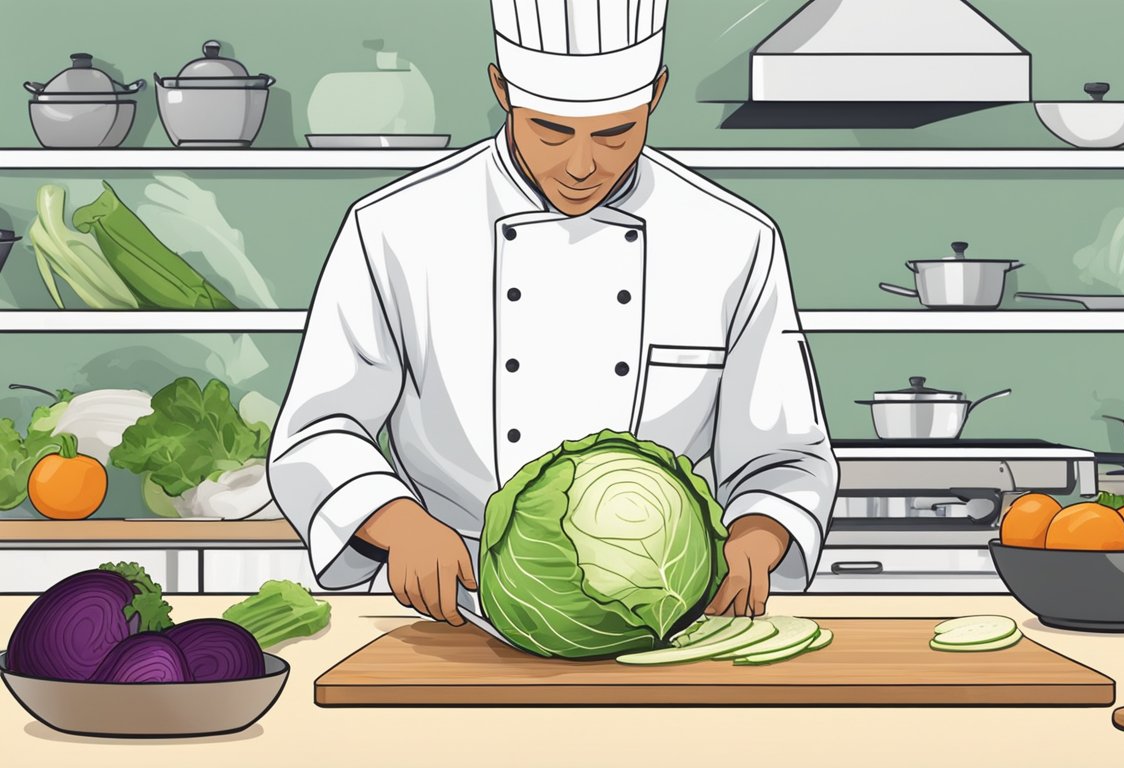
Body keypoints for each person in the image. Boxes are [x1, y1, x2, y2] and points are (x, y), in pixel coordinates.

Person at [268, 0, 837, 627]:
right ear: (501, 90)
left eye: (616, 132)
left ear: (657, 95)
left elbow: (785, 454)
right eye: (551, 131)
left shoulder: (732, 238)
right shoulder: (394, 230)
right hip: (456, 604)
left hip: (666, 615)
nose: (582, 165)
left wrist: (756, 538)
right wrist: (401, 527)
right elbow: (319, 430)